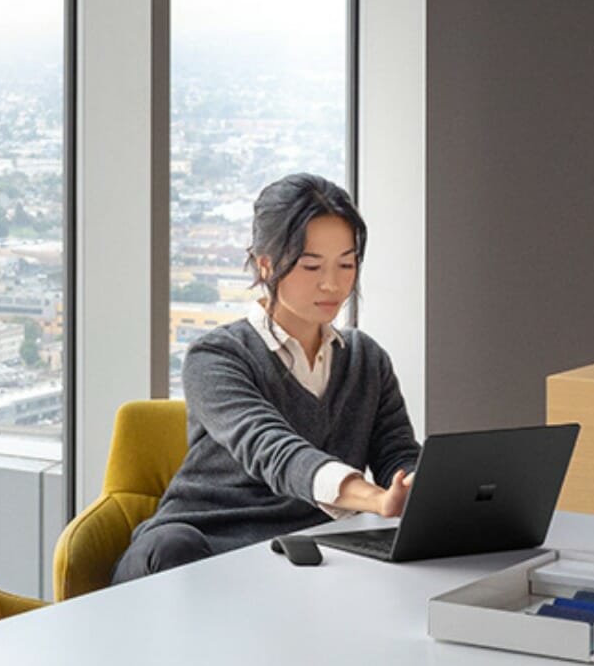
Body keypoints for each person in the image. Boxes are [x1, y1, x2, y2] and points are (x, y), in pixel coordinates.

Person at [112, 173, 421, 583]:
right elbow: (274, 450)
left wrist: (416, 486)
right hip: (198, 546)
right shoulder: (215, 357)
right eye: (311, 266)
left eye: (346, 264)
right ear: (266, 264)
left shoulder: (365, 359)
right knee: (172, 548)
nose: (332, 283)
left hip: (305, 555)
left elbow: (398, 455)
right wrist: (374, 499)